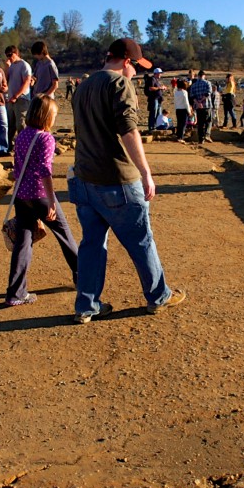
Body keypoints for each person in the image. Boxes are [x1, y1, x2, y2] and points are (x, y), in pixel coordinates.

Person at [68, 38, 186, 323]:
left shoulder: (82, 87)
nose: (136, 74)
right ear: (126, 61)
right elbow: (128, 130)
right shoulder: (119, 84)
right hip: (117, 179)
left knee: (92, 244)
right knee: (141, 240)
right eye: (136, 67)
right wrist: (146, 172)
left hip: (84, 179)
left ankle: (87, 305)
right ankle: (158, 296)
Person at [5, 95, 79, 306]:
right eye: (54, 114)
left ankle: (16, 293)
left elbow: (16, 169)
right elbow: (46, 171)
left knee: (23, 243)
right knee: (65, 235)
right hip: (40, 195)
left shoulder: (22, 136)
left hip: (22, 196)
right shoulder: (46, 138)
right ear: (46, 115)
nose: (55, 118)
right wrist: (52, 201)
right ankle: (82, 278)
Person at [5, 45, 32, 144]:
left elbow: (26, 82)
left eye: (10, 55)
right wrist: (7, 68)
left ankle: (24, 145)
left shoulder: (24, 65)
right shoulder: (11, 66)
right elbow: (5, 80)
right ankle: (9, 145)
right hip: (11, 98)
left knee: (21, 124)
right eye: (7, 55)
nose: (9, 57)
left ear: (16, 53)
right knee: (10, 124)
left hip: (21, 99)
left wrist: (16, 96)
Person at [188, 71, 214, 143]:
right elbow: (208, 93)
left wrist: (197, 102)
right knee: (209, 121)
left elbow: (192, 96)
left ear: (198, 76)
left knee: (200, 123)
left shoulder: (194, 85)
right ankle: (207, 135)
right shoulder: (207, 83)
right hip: (206, 105)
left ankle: (200, 139)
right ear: (204, 76)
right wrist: (201, 101)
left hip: (198, 107)